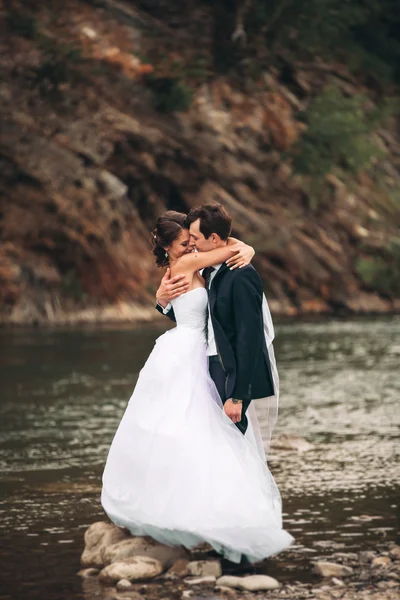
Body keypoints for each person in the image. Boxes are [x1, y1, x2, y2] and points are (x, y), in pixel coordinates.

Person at [101, 209, 293, 563]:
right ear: (169, 246)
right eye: (185, 243)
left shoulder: (189, 267)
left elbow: (189, 307)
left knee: (196, 431)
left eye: (193, 241)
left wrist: (161, 303)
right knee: (195, 431)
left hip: (195, 351)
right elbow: (225, 250)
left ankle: (217, 523)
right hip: (188, 353)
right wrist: (245, 247)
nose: (191, 247)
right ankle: (217, 524)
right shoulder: (191, 265)